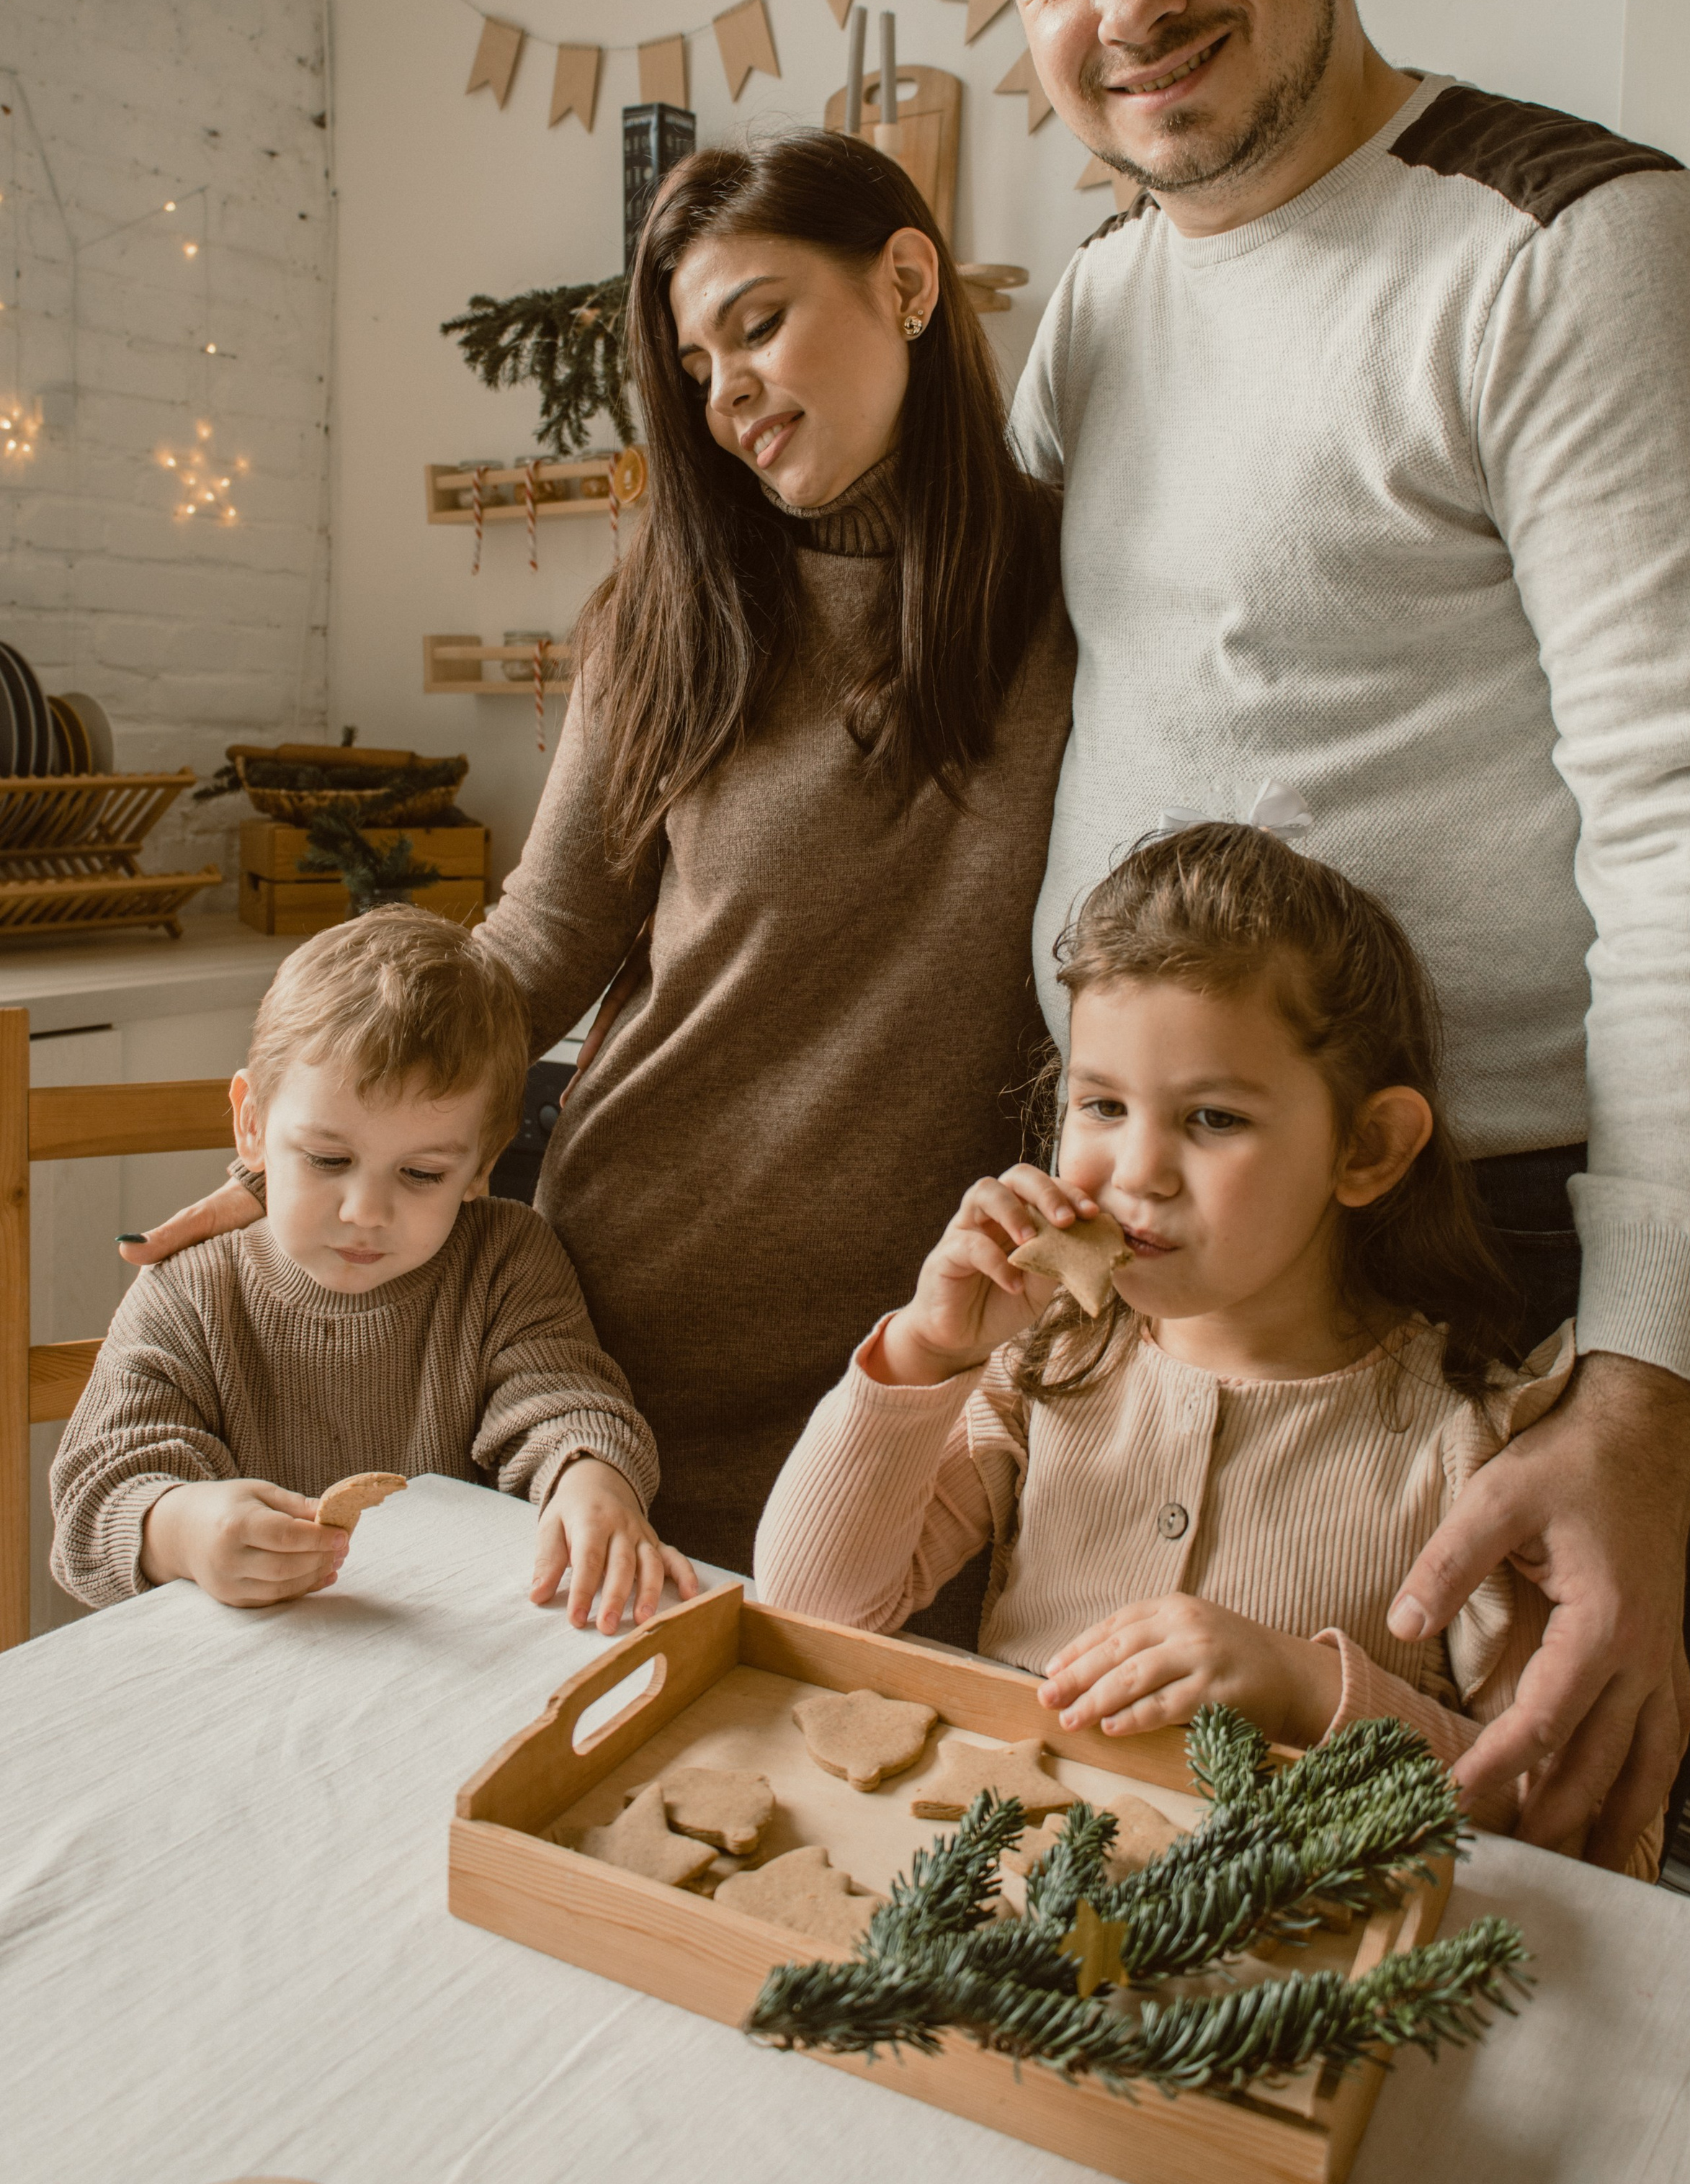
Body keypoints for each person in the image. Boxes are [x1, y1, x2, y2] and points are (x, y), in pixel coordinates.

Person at [964, 0, 1690, 1865]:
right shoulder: (1094, 308)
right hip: (1146, 1225)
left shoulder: (1576, 244)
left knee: (1508, 1913)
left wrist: (1646, 1390)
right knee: (1124, 1864)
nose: (1129, 5)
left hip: (1503, 1258)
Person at [126, 133, 1073, 1589]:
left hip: (921, 1359)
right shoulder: (669, 614)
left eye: (757, 321)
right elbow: (541, 935)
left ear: (904, 281)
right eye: (695, 364)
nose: (728, 389)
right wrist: (325, 1126)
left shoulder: (1077, 588)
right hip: (616, 1345)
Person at [758, 821, 1661, 1875]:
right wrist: (922, 1353)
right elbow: (813, 1608)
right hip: (997, 1923)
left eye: (1214, 1119)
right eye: (1100, 1105)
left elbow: (1567, 1820)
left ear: (1367, 1148)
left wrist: (1310, 1691)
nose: (1136, 1171)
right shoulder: (1046, 1369)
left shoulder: (1479, 1451)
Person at [53, 908, 691, 1627]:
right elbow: (94, 1495)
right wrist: (182, 1530)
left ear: (480, 1165)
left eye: (420, 1173)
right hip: (237, 1669)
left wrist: (591, 1478)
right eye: (329, 1160)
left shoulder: (506, 1259)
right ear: (252, 1124)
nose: (366, 1210)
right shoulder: (189, 1290)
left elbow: (561, 1400)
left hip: (452, 1647)